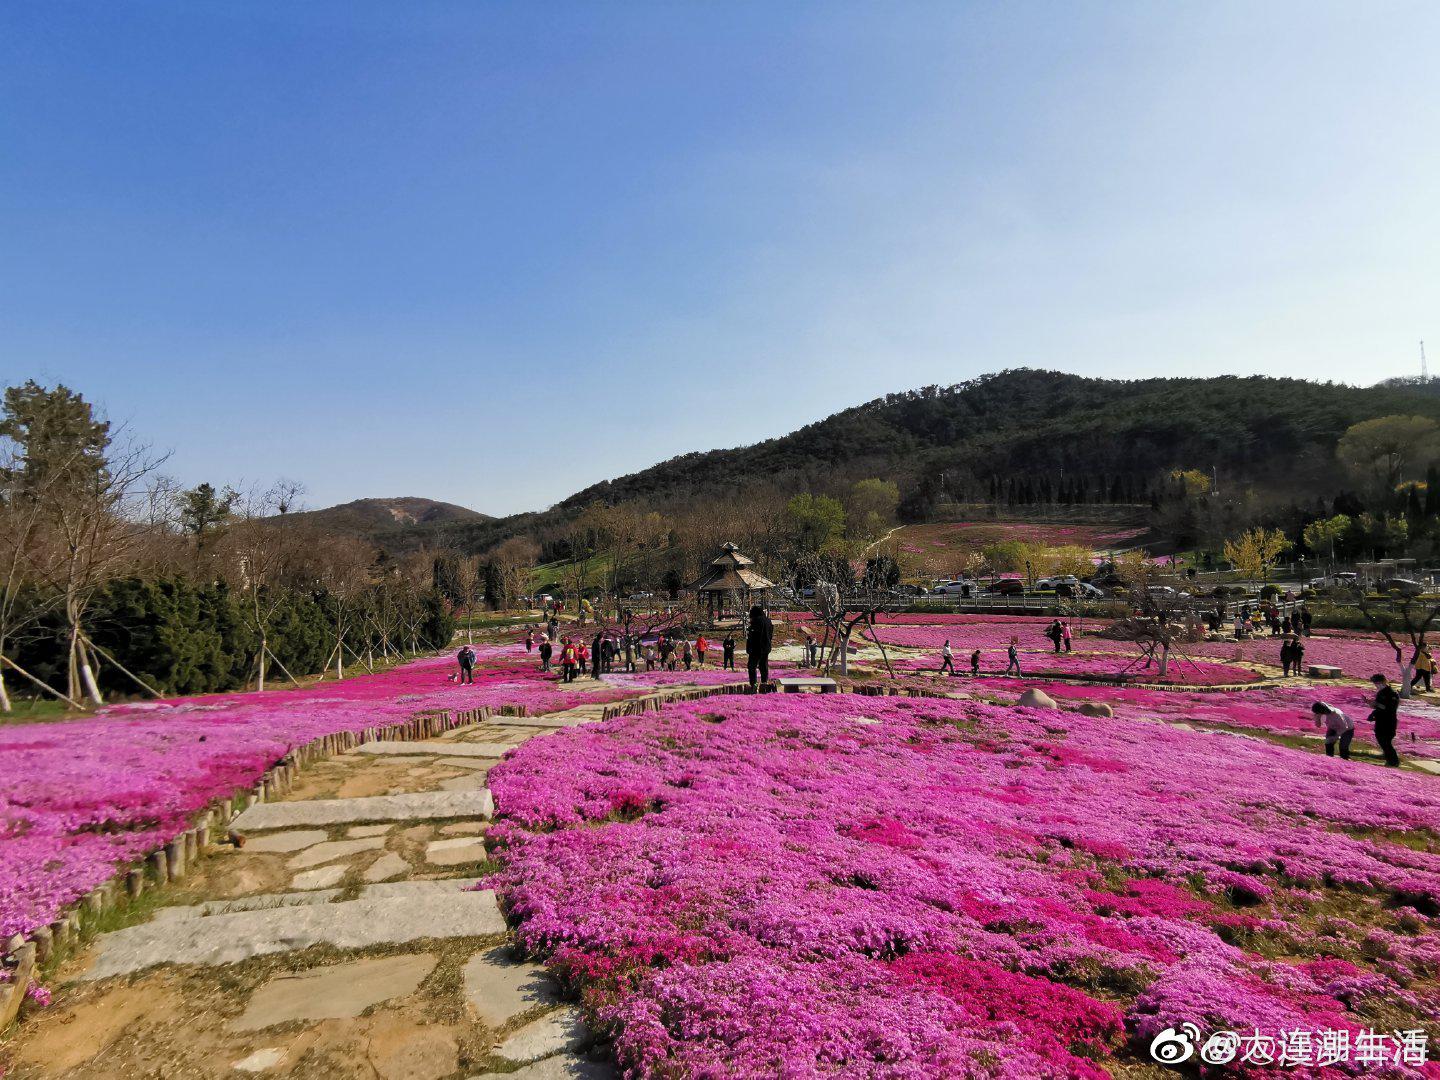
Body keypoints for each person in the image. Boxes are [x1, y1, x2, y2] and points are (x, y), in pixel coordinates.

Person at [1368, 673, 1402, 767]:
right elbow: (1378, 707)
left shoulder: (1392, 693)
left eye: (1377, 683)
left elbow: (1390, 708)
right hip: (1380, 720)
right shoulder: (1380, 693)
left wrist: (1377, 704)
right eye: (1375, 683)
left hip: (1389, 721)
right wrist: (1372, 707)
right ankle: (1389, 760)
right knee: (1381, 740)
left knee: (1386, 741)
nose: (1376, 685)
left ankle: (1394, 761)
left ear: (1383, 681)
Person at [746, 603, 773, 688]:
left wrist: (749, 647)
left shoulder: (755, 621)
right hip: (766, 647)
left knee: (752, 666)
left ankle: (753, 683)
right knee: (763, 665)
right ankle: (764, 682)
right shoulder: (768, 621)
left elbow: (752, 636)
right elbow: (770, 634)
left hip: (756, 648)